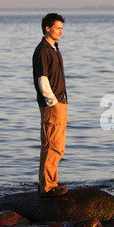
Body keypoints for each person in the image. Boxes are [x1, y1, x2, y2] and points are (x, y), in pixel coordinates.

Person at [32, 13, 68, 197]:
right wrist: (52, 101)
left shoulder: (54, 48)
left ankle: (51, 183)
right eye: (58, 28)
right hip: (52, 105)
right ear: (47, 28)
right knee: (51, 145)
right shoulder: (43, 50)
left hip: (60, 103)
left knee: (57, 146)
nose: (62, 31)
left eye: (62, 28)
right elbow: (42, 79)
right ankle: (47, 187)